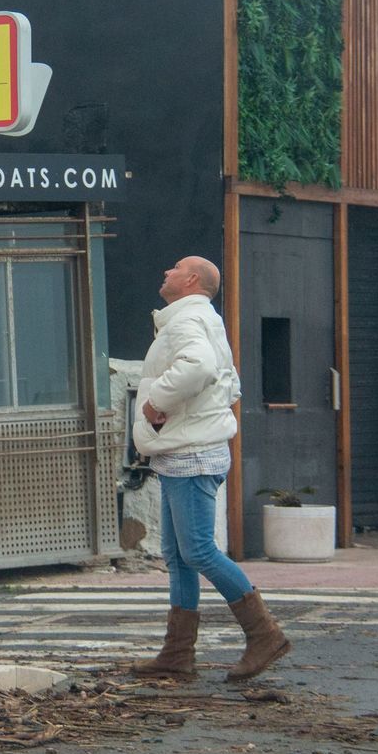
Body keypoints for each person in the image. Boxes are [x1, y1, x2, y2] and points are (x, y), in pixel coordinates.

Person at [130, 256, 290, 682]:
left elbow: (198, 368)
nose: (166, 271)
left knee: (197, 550)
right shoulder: (206, 320)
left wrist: (156, 402)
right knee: (178, 555)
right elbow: (229, 382)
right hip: (188, 449)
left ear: (192, 280)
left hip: (190, 453)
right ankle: (177, 654)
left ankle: (264, 634)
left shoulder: (185, 321)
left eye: (175, 268)